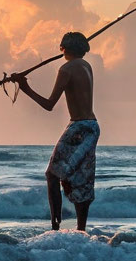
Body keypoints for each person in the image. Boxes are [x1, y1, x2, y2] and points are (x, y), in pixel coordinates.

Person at [9, 31, 99, 232]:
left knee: (52, 175)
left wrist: (24, 87)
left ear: (63, 48)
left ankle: (55, 227)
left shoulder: (66, 69)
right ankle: (81, 229)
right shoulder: (87, 66)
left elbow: (49, 104)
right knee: (81, 179)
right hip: (92, 126)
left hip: (79, 127)